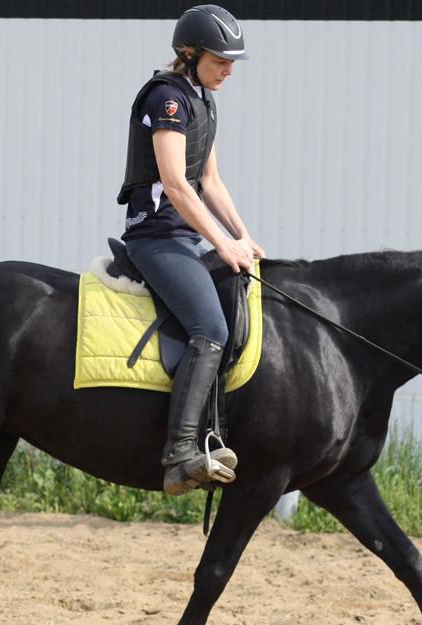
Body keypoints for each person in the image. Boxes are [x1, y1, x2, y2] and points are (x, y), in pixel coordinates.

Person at [116, 4, 264, 496]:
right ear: (190, 53)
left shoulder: (204, 99)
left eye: (232, 61)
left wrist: (242, 236)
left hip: (184, 236)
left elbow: (211, 181)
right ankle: (180, 453)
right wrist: (222, 245)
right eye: (221, 59)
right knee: (211, 328)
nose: (229, 68)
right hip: (155, 236)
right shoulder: (168, 99)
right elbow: (177, 185)